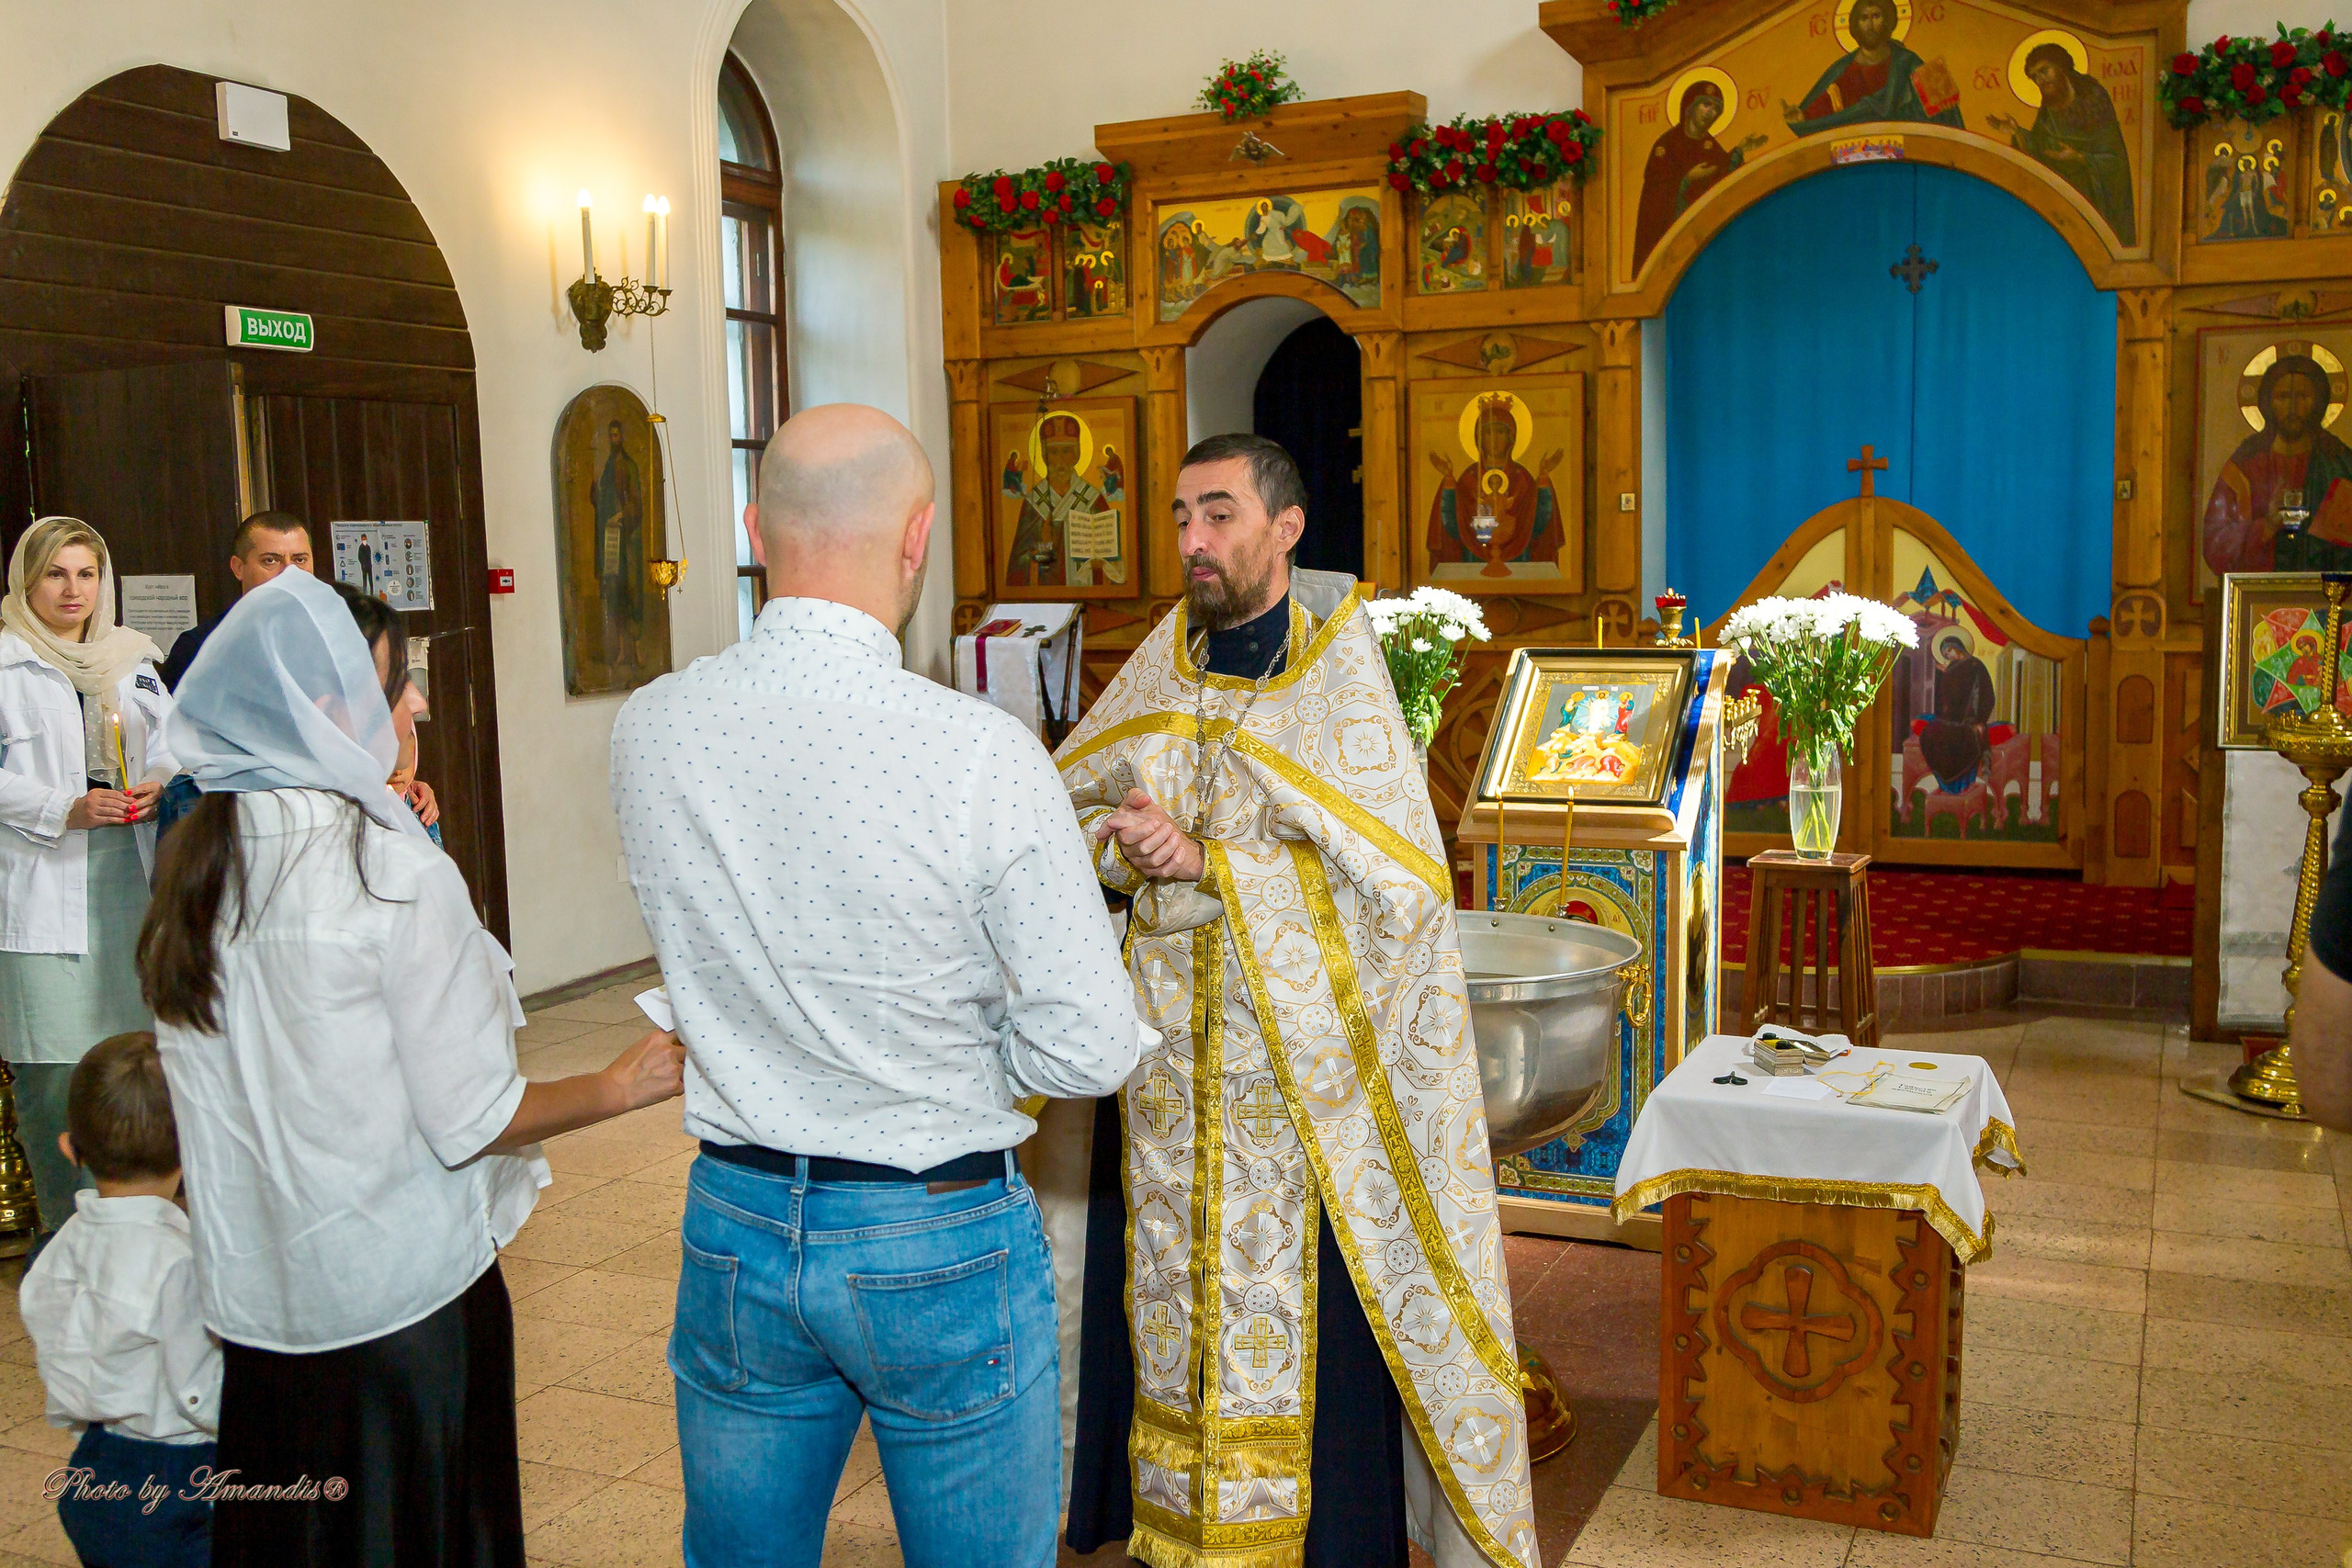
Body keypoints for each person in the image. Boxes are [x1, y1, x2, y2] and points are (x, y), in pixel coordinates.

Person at [608, 402, 1143, 1568]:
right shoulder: (978, 749)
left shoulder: (651, 728)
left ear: (755, 530)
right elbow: (1093, 1045)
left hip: (737, 1219)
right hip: (933, 1225)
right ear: (917, 542)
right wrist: (967, 1057)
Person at [140, 566, 684, 1567]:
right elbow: (473, 1115)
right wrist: (619, 1086)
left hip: (258, 1308)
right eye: (399, 682)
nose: (421, 701)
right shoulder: (388, 875)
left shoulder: (199, 862)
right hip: (396, 1312)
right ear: (330, 709)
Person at [1058, 433, 1538, 1568]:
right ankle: (1171, 1532)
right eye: (1179, 517)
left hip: (1304, 1100)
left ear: (1286, 527)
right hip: (1166, 1086)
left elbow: (1405, 890)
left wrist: (1216, 866)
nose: (1192, 542)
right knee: (1161, 1307)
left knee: (1310, 1328)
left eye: (1218, 516)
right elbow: (1063, 813)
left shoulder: (1338, 670)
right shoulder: (1157, 663)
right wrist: (1124, 852)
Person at [0, 516, 176, 1243]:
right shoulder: (6, 660)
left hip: (126, 887)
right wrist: (60, 808)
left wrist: (162, 784)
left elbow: (172, 744)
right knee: (54, 1084)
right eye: (56, 573)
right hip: (41, 889)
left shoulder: (134, 658)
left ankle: (137, 1240)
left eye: (87, 573)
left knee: (133, 1075)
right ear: (26, 580)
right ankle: (63, 1242)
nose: (73, 589)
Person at [19, 1030, 220, 1568]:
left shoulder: (58, 1247)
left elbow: (54, 1339)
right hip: (178, 1479)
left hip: (95, 1460)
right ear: (194, 1149)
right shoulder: (179, 1262)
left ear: (69, 1149)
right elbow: (199, 1393)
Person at [2202, 354, 2352, 576]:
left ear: (2319, 401)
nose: (2293, 407)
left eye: (2302, 396)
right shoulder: (2245, 464)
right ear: (2267, 403)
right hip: (2259, 595)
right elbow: (2214, 543)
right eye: (2283, 397)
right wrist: (2266, 527)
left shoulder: (2338, 462)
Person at [1984, 42, 2136, 244]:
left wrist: (2081, 158)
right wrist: (2017, 132)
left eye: (2044, 71)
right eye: (2035, 77)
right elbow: (2042, 148)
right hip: (2066, 203)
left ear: (2061, 66)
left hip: (2098, 203)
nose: (2041, 80)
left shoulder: (2093, 98)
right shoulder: (2049, 111)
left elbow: (2115, 159)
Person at [155, 511, 312, 692]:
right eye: (270, 560)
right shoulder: (200, 647)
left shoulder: (336, 638)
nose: (288, 572)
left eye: (300, 560)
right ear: (238, 568)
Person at [1632, 79, 1768, 273]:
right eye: (1706, 104)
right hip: (1671, 239)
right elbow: (1655, 201)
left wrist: (1739, 151)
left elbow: (1724, 180)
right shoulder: (1666, 146)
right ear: (1689, 106)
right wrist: (1686, 180)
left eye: (1716, 109)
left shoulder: (1711, 147)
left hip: (1702, 240)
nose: (1710, 113)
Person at [1783, 0, 1962, 134]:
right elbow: (1815, 111)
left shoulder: (1907, 62)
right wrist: (1800, 118)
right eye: (1864, 18)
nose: (1870, 24)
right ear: (1855, 24)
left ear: (1888, 20)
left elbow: (1946, 113)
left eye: (1876, 16)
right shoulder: (1841, 69)